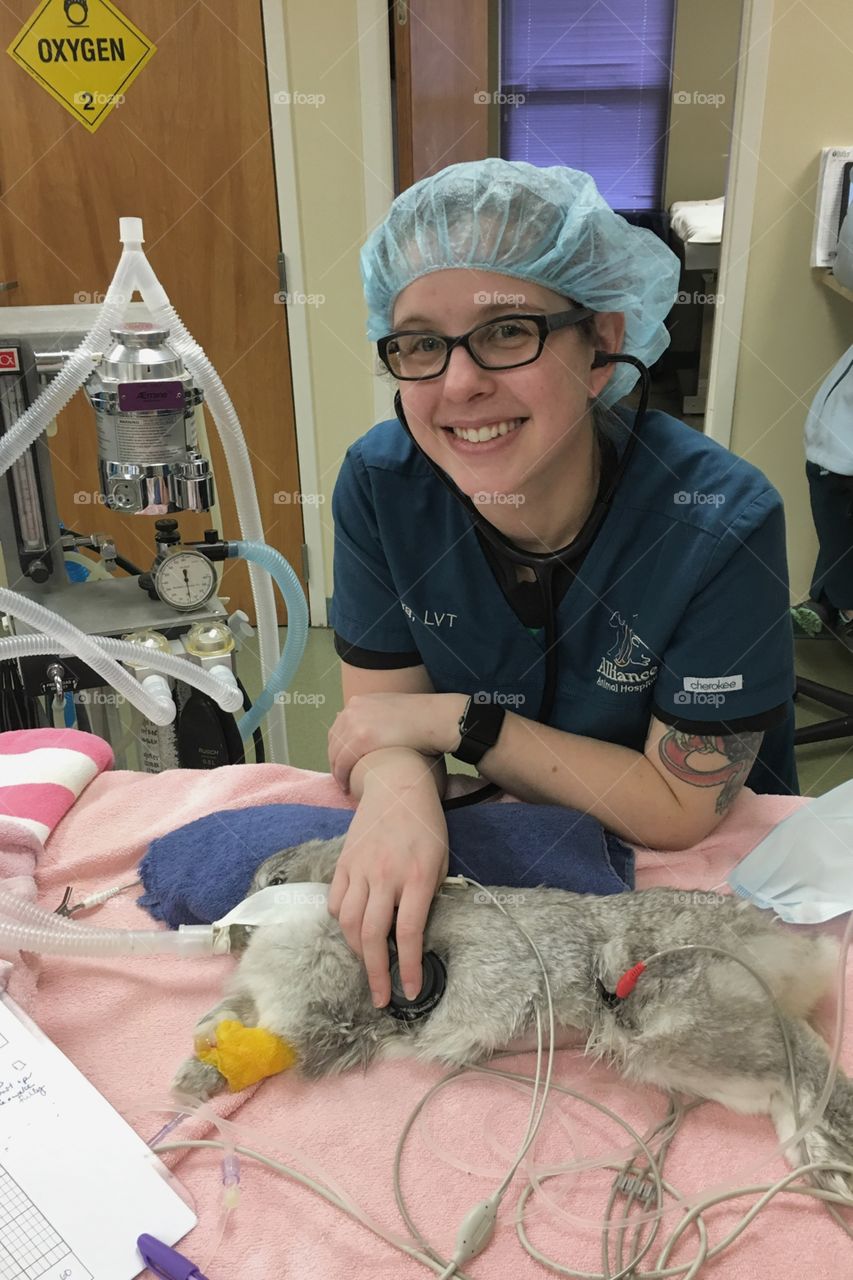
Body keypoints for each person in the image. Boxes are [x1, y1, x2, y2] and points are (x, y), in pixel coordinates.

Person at [326, 159, 797, 1011]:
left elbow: (678, 810)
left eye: (508, 331)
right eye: (421, 344)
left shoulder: (716, 520)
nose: (459, 383)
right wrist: (398, 792)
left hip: (705, 884)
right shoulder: (381, 485)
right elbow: (375, 718)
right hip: (496, 862)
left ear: (601, 346)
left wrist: (454, 723)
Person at [791, 209, 853, 639]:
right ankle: (830, 601)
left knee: (840, 534)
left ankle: (839, 605)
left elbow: (846, 269)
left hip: (841, 463)